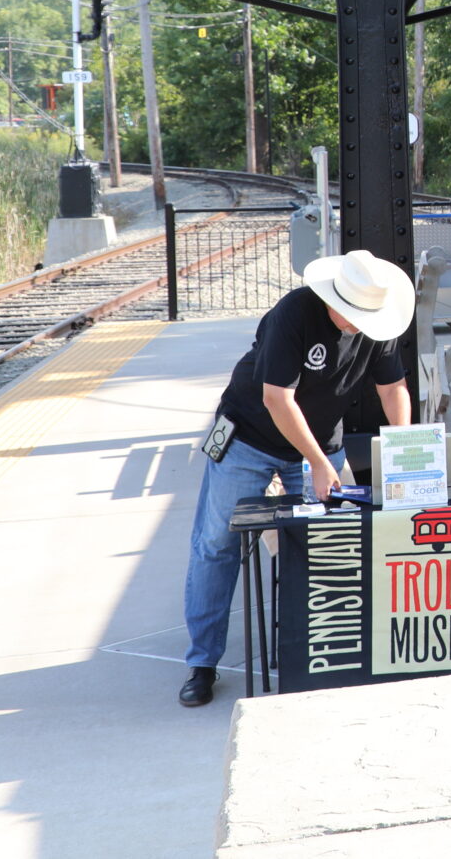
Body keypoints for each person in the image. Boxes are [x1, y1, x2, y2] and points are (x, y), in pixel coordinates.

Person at [178, 249, 415, 707]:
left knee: (340, 540)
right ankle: (202, 662)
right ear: (334, 299)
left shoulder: (379, 323)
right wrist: (320, 465)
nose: (357, 325)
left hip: (322, 442)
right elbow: (276, 399)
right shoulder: (294, 313)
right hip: (250, 437)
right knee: (217, 544)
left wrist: (401, 449)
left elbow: (393, 388)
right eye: (351, 316)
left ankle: (325, 645)